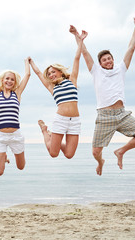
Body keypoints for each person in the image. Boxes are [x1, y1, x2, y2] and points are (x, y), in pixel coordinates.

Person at [72, 14, 135, 176]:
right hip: (104, 116)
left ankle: (121, 151)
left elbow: (131, 48)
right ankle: (100, 162)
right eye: (104, 60)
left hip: (122, 114)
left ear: (113, 59)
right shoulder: (96, 71)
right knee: (95, 152)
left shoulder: (121, 69)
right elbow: (85, 53)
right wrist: (78, 37)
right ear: (100, 63)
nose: (108, 61)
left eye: (109, 58)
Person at [28, 27, 87, 159]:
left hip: (75, 121)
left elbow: (77, 59)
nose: (51, 75)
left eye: (53, 71)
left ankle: (53, 136)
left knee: (69, 155)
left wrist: (80, 40)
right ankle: (45, 131)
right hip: (60, 120)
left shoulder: (72, 80)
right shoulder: (52, 87)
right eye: (49, 74)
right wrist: (31, 63)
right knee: (53, 153)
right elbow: (38, 73)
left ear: (60, 71)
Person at [0, 54, 31, 176]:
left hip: (16, 136)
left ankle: (5, 154)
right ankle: (3, 155)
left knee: (21, 167)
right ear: (2, 80)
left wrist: (27, 62)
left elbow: (28, 75)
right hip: (0, 137)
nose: (9, 81)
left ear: (15, 82)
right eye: (7, 78)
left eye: (12, 79)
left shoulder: (17, 93)